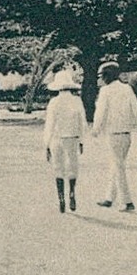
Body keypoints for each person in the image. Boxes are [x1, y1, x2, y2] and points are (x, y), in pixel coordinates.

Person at [92, 58, 137, 212]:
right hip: (126, 135)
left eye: (102, 75)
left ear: (107, 75)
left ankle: (127, 201)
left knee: (118, 167)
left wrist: (95, 130)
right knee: (116, 165)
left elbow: (100, 113)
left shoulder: (105, 91)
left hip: (113, 134)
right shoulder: (127, 89)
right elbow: (136, 111)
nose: (101, 79)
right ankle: (109, 198)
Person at [42, 70, 85, 213]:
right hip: (72, 137)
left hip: (56, 137)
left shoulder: (54, 102)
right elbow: (82, 122)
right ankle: (72, 192)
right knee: (72, 166)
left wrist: (46, 144)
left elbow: (49, 124)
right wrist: (81, 140)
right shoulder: (77, 100)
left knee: (58, 167)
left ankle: (61, 198)